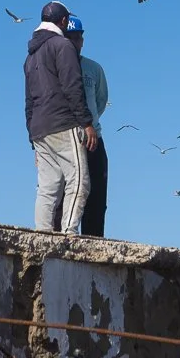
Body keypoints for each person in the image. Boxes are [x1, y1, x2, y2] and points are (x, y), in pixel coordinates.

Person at [24, 1, 97, 234]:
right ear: (63, 21)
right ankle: (69, 233)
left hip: (39, 129)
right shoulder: (63, 46)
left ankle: (43, 234)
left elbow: (29, 101)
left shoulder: (30, 57)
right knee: (79, 180)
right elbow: (73, 88)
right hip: (63, 124)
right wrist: (86, 123)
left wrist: (32, 138)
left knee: (48, 187)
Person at [52, 15, 110, 237]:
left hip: (92, 139)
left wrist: (90, 123)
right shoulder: (54, 67)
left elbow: (101, 99)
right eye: (69, 37)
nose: (74, 42)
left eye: (78, 37)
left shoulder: (94, 69)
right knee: (62, 194)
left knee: (96, 196)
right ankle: (59, 239)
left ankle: (94, 240)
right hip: (64, 139)